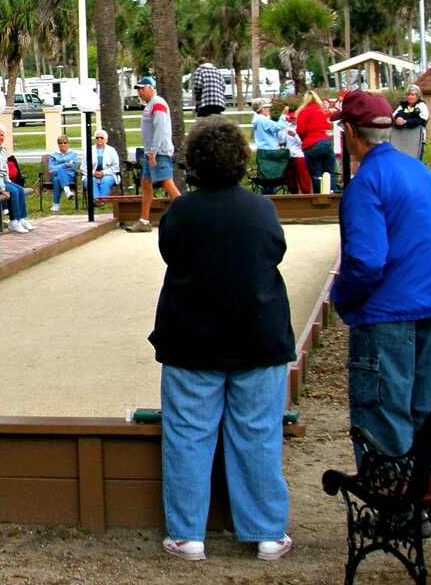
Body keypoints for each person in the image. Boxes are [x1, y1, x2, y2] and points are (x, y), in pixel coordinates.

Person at [151, 118, 295, 562]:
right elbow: (276, 251)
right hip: (259, 332)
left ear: (194, 163)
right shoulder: (261, 209)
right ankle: (267, 532)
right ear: (240, 161)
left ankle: (188, 535)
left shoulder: (181, 212)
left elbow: (169, 253)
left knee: (188, 434)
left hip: (191, 337)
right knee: (258, 432)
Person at [333, 89, 431, 539]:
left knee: (383, 414)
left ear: (351, 133)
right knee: (428, 408)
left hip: (384, 316)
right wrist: (424, 281)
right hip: (430, 308)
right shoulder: (421, 174)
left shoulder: (366, 184)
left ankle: (397, 512)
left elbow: (366, 261)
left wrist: (345, 298)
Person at [130, 76, 180, 233]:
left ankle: (189, 216)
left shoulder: (158, 103)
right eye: (138, 89)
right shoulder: (150, 105)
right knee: (146, 183)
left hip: (159, 152)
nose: (140, 92)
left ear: (151, 88)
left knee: (166, 183)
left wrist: (154, 151)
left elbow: (161, 129)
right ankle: (144, 221)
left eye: (142, 88)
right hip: (150, 152)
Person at [295, 90, 335, 193]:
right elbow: (329, 126)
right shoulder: (323, 111)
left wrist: (304, 139)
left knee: (316, 174)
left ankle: (319, 197)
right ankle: (332, 193)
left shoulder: (304, 112)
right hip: (326, 142)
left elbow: (300, 130)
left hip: (311, 144)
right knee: (330, 173)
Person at [391, 84, 429, 160]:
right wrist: (397, 120)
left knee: (414, 160)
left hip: (416, 138)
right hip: (401, 137)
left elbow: (422, 120)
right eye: (408, 95)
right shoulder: (402, 106)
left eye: (413, 95)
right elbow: (392, 117)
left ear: (417, 96)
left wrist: (406, 121)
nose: (410, 97)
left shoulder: (421, 106)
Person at [82, 129, 121, 201]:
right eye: (97, 137)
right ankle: (96, 200)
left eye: (101, 138)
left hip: (108, 174)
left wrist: (103, 173)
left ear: (106, 140)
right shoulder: (88, 150)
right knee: (91, 180)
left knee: (105, 180)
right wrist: (93, 173)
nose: (99, 139)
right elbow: (83, 167)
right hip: (91, 174)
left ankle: (101, 200)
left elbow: (115, 167)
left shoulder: (112, 150)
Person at [278, 114, 311, 194]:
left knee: (303, 178)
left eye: (294, 119)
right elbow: (282, 141)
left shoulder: (302, 128)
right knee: (290, 178)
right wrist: (282, 133)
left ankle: (306, 194)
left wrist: (295, 135)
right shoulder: (287, 128)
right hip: (289, 155)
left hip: (299, 155)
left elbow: (303, 143)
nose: (293, 120)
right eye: (291, 119)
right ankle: (293, 194)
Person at [47, 135, 81, 211]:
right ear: (58, 144)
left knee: (56, 179)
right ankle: (67, 191)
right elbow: (50, 170)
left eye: (65, 143)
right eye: (60, 143)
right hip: (55, 174)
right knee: (59, 171)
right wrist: (64, 165)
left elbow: (74, 167)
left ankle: (56, 204)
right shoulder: (53, 155)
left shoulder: (73, 154)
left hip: (69, 177)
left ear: (68, 144)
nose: (63, 144)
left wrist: (58, 166)